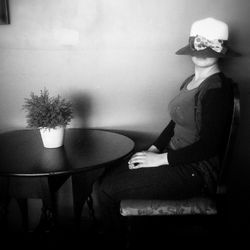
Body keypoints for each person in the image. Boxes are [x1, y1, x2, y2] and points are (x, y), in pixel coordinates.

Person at [91, 17, 240, 239]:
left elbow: (209, 146)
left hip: (195, 171)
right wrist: (153, 149)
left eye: (212, 47)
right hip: (173, 157)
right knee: (105, 178)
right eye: (200, 45)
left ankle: (113, 243)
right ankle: (125, 235)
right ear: (192, 47)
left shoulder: (217, 90)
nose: (204, 51)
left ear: (221, 51)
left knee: (106, 190)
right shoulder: (191, 80)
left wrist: (159, 160)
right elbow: (175, 122)